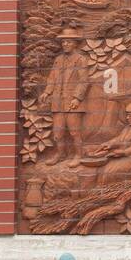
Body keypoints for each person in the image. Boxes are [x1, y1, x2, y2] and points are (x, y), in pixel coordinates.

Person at [41, 29, 90, 164]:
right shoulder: (58, 60)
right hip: (58, 102)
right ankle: (60, 155)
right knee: (58, 134)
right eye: (63, 42)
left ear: (75, 43)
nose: (65, 44)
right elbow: (52, 78)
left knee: (75, 132)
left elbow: (84, 80)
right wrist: (47, 91)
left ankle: (78, 156)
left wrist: (77, 98)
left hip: (73, 102)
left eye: (68, 41)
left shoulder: (81, 59)